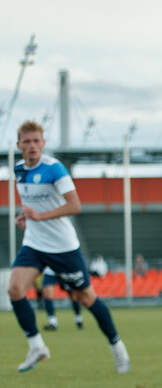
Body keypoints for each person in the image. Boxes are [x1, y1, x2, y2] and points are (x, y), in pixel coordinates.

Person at [7, 120, 129, 373]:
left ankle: (117, 346)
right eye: (26, 141)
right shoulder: (18, 170)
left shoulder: (54, 169)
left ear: (43, 143)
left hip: (63, 247)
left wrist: (40, 216)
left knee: (86, 298)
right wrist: (26, 217)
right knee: (15, 289)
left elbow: (75, 206)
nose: (31, 146)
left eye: (36, 141)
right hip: (34, 243)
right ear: (19, 145)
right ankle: (37, 346)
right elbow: (33, 203)